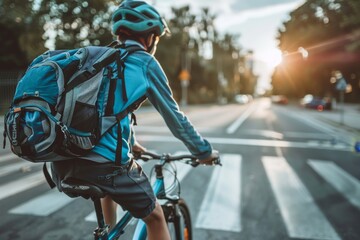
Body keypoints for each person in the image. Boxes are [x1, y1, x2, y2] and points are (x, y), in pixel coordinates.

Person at [51, 1, 219, 239]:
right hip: (103, 165)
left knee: (109, 192)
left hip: (62, 162)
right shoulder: (144, 63)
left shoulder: (104, 60)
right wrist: (203, 151)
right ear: (149, 37)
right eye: (156, 37)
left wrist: (132, 142)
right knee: (156, 217)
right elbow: (175, 118)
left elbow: (109, 111)